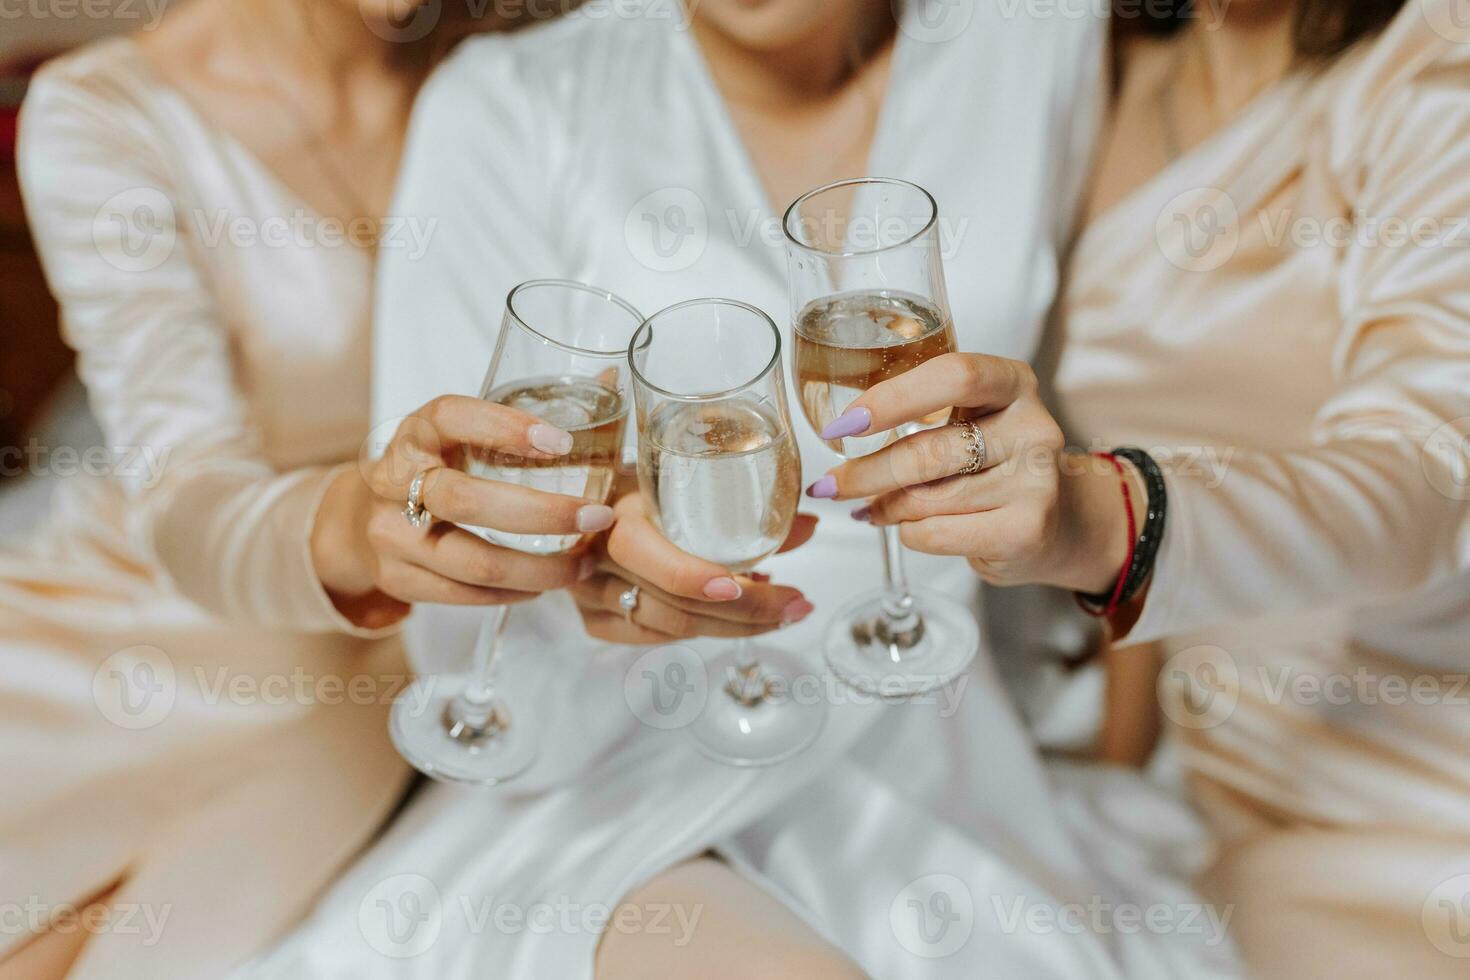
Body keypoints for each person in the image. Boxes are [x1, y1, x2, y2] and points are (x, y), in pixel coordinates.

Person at [248, 1, 1122, 978]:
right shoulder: (509, 101)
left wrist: (1097, 563)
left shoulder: (1037, 33)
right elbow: (447, 566)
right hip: (619, 727)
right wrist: (581, 563)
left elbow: (1137, 376)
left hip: (933, 708)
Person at [815, 0, 1470, 975]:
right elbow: (1126, 438)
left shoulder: (1433, 58)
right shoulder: (1086, 68)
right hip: (1217, 778)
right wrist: (1116, 785)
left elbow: (1427, 480)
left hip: (1416, 758)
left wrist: (1114, 514)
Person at [0, 1, 610, 977]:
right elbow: (186, 484)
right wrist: (369, 530)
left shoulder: (519, 69)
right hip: (148, 604)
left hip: (387, 648)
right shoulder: (103, 111)